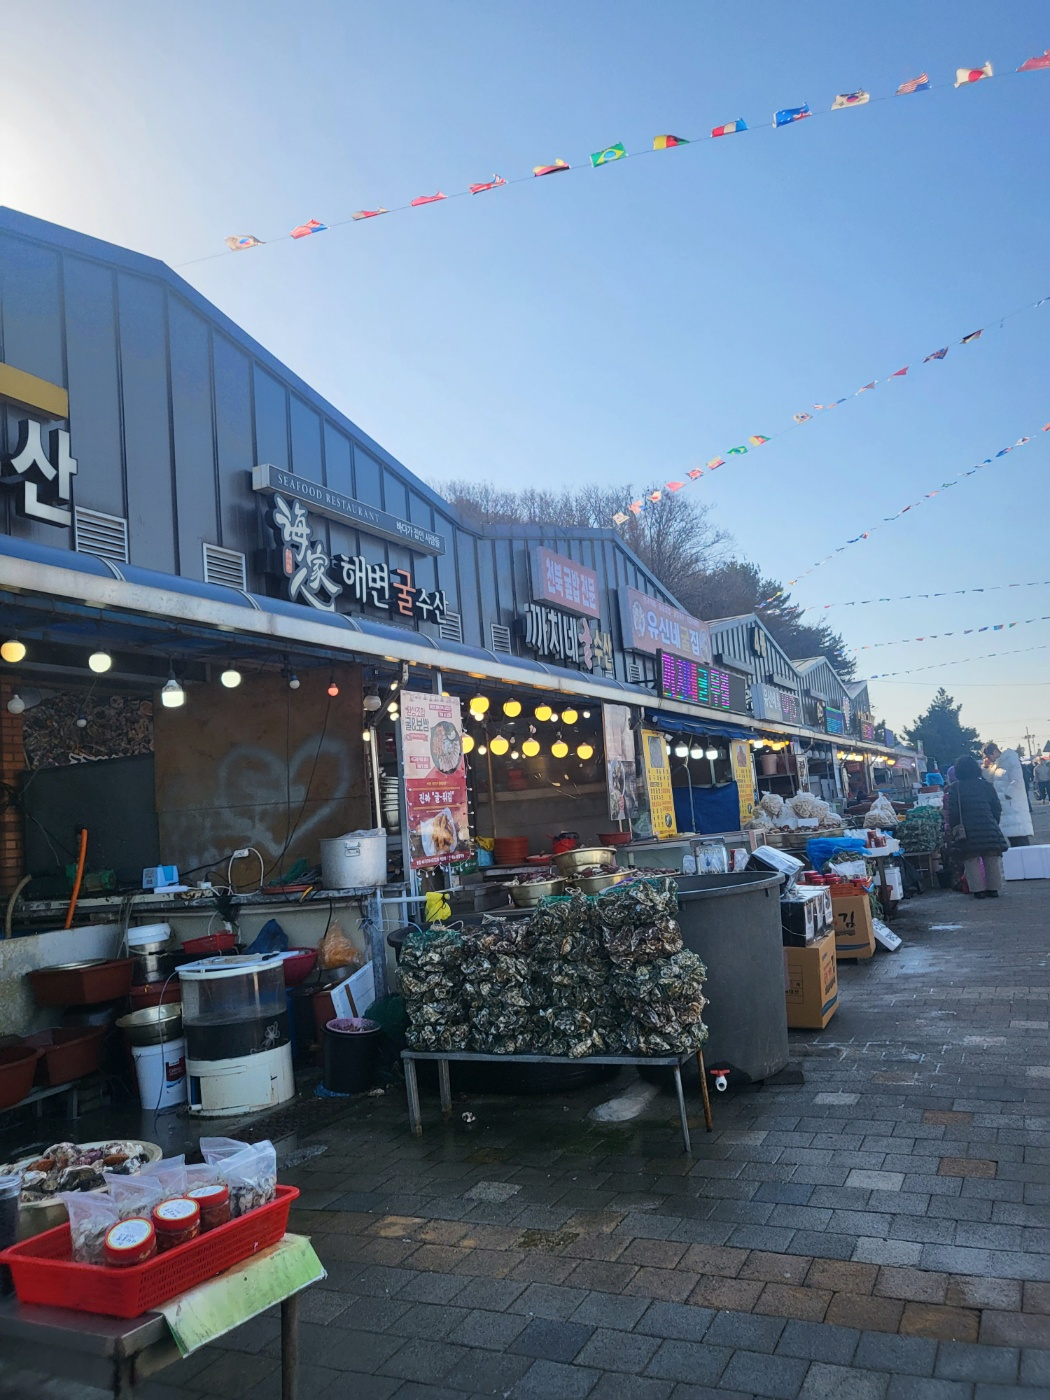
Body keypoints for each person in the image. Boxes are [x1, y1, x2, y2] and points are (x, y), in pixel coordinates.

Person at [948, 754, 1008, 898]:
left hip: (968, 830)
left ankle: (978, 891)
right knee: (991, 857)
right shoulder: (986, 785)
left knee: (971, 859)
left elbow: (953, 811)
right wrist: (993, 821)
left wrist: (954, 827)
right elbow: (996, 807)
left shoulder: (955, 788)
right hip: (988, 825)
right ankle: (994, 889)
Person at [981, 742, 1034, 846]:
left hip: (1012, 804)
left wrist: (1007, 794)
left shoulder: (1011, 760)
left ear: (995, 752)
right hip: (1005, 805)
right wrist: (985, 767)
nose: (988, 758)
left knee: (1019, 837)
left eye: (988, 756)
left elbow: (1017, 780)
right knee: (1013, 836)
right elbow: (991, 779)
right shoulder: (997, 763)